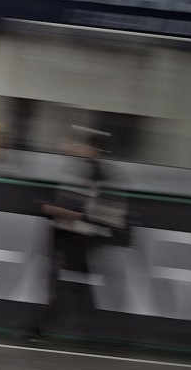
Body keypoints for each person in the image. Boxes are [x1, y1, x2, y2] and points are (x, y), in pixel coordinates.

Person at [29, 128, 125, 340]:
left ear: (92, 148)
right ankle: (41, 325)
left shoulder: (91, 170)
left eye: (82, 145)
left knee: (66, 284)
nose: (76, 147)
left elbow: (79, 211)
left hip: (74, 235)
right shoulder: (94, 170)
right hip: (73, 234)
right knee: (70, 284)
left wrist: (48, 209)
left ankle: (38, 326)